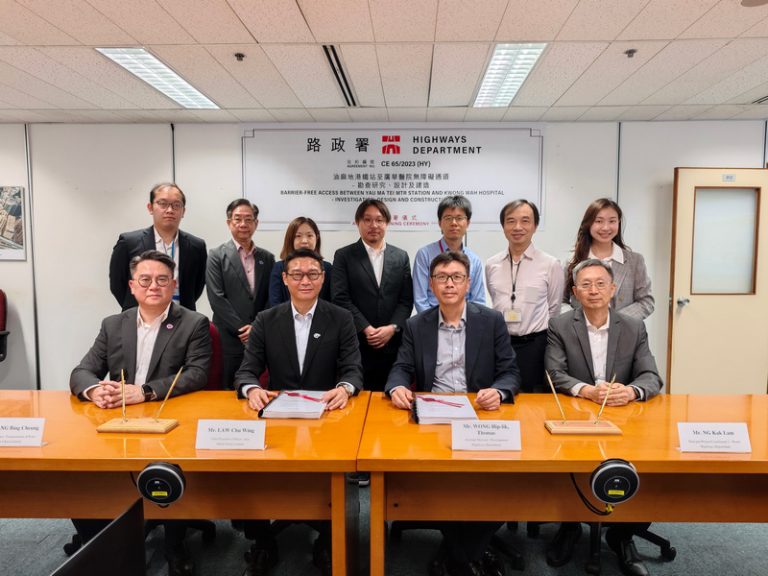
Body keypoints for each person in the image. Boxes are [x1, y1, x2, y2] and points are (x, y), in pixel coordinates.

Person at [70, 250, 211, 576]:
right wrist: (95, 390)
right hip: (118, 421)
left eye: (162, 280)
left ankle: (174, 543)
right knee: (79, 471)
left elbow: (197, 374)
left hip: (171, 422)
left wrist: (144, 391)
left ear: (174, 284)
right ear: (132, 286)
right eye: (145, 280)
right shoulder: (113, 324)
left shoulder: (194, 323)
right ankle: (99, 539)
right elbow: (82, 371)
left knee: (167, 465)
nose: (153, 286)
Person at [385, 251, 520, 576]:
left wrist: (499, 391)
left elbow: (510, 372)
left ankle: (457, 554)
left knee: (504, 484)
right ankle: (471, 555)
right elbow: (401, 368)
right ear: (431, 285)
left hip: (480, 415)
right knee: (438, 485)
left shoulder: (491, 320)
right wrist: (397, 387)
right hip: (434, 417)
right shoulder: (416, 325)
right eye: (442, 278)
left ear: (467, 283)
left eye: (456, 277)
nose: (449, 284)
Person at [235, 248, 363, 576]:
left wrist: (344, 388)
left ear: (323, 278)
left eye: (313, 274)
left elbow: (353, 369)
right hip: (279, 418)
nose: (305, 280)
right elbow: (247, 371)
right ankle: (263, 542)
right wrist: (252, 389)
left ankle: (327, 540)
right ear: (285, 279)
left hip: (327, 419)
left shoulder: (340, 318)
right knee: (246, 472)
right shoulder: (267, 319)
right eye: (297, 274)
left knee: (334, 477)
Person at [545, 259, 663, 576]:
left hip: (623, 418)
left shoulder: (633, 327)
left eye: (600, 284)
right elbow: (554, 373)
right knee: (565, 464)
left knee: (649, 467)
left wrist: (631, 391)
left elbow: (651, 376)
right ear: (575, 292)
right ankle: (569, 526)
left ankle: (622, 536)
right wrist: (586, 391)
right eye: (585, 284)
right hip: (576, 415)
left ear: (613, 289)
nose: (593, 290)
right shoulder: (560, 325)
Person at [331, 198, 413, 393]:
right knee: (356, 398)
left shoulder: (400, 256)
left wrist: (392, 328)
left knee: (390, 398)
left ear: (387, 223)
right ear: (357, 222)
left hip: (392, 345)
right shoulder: (344, 256)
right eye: (367, 220)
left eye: (379, 220)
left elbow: (406, 300)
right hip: (356, 343)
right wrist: (366, 328)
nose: (373, 225)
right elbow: (340, 298)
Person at [485, 200, 563, 393]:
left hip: (535, 346)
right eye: (511, 221)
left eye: (525, 221)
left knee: (532, 400)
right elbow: (495, 300)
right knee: (501, 396)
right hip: (500, 344)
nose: (517, 227)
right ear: (503, 226)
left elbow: (554, 308)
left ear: (535, 225)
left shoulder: (550, 264)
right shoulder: (491, 264)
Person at [206, 199, 275, 389]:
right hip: (228, 336)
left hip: (259, 335)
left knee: (259, 387)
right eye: (238, 219)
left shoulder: (267, 258)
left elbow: (271, 297)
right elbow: (216, 298)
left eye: (248, 219)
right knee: (228, 388)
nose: (243, 224)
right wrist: (241, 329)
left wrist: (256, 327)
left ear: (256, 223)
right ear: (229, 223)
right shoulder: (216, 255)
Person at [109, 182, 207, 311]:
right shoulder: (128, 242)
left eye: (176, 205)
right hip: (140, 316)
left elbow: (198, 286)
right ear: (150, 208)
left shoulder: (196, 246)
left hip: (183, 317)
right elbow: (117, 284)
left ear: (183, 211)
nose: (170, 210)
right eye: (163, 204)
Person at [564, 198, 654, 320]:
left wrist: (615, 321)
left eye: (612, 221)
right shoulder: (573, 261)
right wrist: (579, 320)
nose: (606, 227)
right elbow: (561, 302)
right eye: (599, 221)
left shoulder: (635, 261)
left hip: (623, 330)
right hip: (581, 330)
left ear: (618, 223)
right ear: (588, 223)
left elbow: (646, 302)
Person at [412, 195, 486, 313]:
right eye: (448, 218)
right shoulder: (425, 255)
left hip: (466, 322)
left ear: (468, 223)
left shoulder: (474, 260)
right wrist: (434, 322)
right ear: (439, 223)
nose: (454, 223)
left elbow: (478, 301)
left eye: (459, 218)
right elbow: (420, 300)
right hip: (432, 320)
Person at [268, 216, 332, 306]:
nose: (304, 241)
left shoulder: (327, 268)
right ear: (290, 239)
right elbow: (274, 303)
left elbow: (332, 303)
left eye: (309, 236)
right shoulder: (279, 268)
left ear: (317, 238)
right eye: (298, 236)